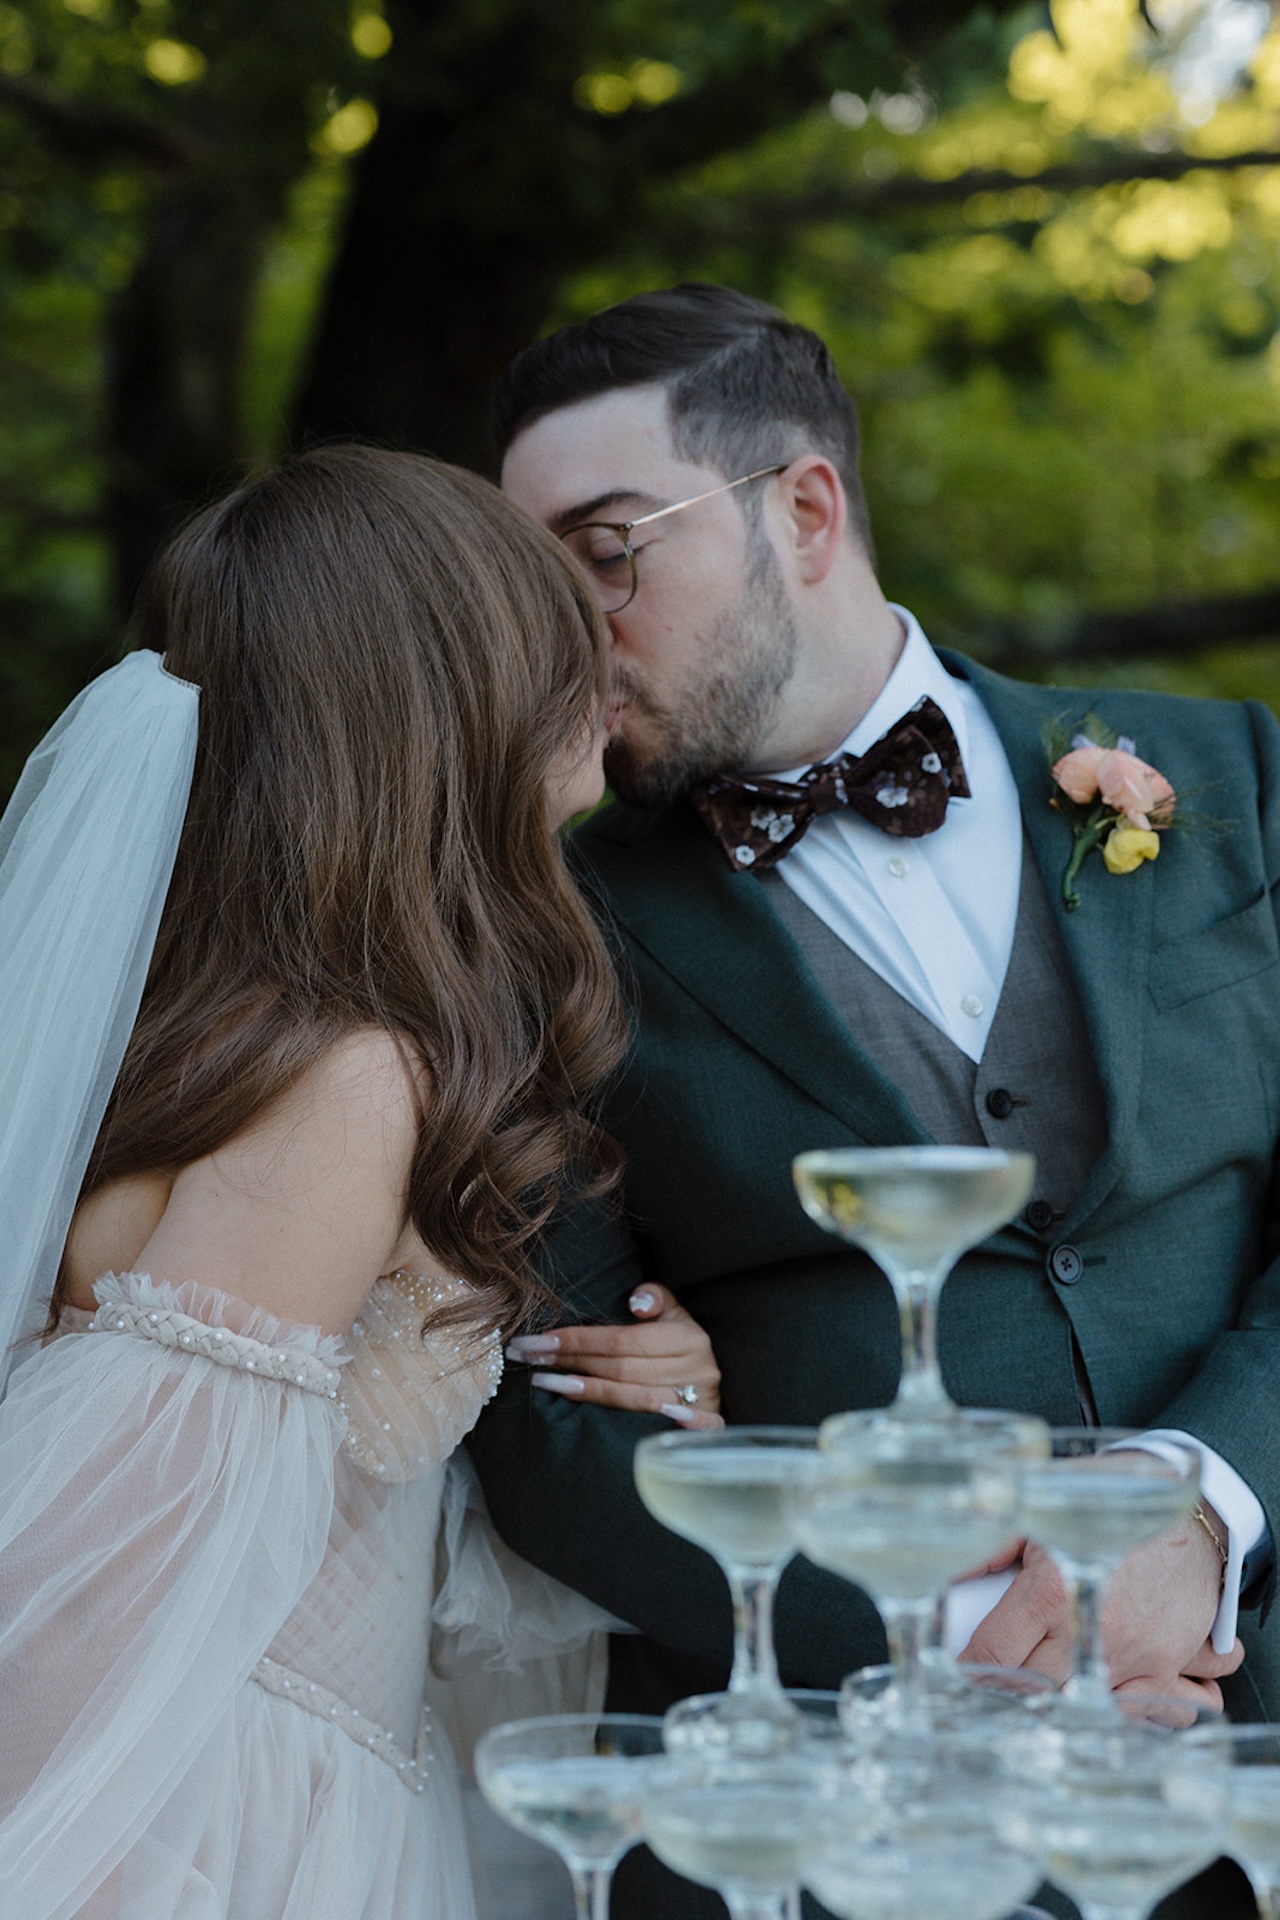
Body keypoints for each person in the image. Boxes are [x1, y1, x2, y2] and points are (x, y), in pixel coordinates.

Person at [469, 283, 1280, 1919]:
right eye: (527, 585)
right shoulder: (532, 933)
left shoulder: (1242, 782)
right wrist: (977, 1647)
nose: (563, 631)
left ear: (808, 510)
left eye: (609, 552)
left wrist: (1206, 1499)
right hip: (831, 1810)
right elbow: (537, 1420)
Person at [0, 442, 723, 1920]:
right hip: (205, 1834)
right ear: (441, 696)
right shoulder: (348, 1078)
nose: (591, 656)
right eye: (539, 621)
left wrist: (646, 1382)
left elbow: (301, 1507)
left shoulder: (279, 1036)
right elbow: (81, 1593)